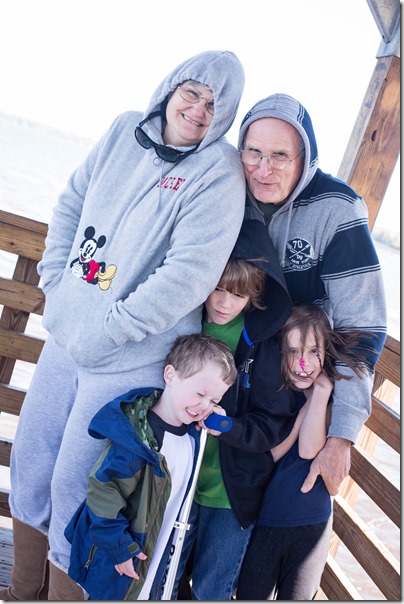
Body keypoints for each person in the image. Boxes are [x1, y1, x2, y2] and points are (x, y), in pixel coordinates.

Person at [2, 50, 246, 601]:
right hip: (68, 337)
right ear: (171, 88)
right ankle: (19, 592)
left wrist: (112, 327)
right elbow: (70, 204)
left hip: (131, 355)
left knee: (77, 486)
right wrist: (55, 282)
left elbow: (188, 274)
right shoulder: (122, 131)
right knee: (31, 464)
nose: (198, 109)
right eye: (192, 93)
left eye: (214, 105)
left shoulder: (219, 172)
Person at [237, 94, 387, 496]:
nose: (264, 169)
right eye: (254, 152)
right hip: (231, 382)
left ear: (304, 158)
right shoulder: (227, 191)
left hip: (301, 395)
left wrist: (342, 436)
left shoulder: (337, 209)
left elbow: (362, 324)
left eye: (280, 156)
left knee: (294, 506)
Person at [164, 219, 299, 601]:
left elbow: (273, 421)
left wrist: (229, 427)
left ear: (253, 297)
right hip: (177, 480)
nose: (224, 303)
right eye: (218, 289)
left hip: (230, 492)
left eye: (237, 295)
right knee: (164, 577)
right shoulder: (185, 323)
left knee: (212, 589)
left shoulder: (262, 344)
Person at [63, 333, 237, 601]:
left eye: (214, 401)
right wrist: (120, 548)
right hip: (124, 558)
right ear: (170, 375)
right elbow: (104, 492)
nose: (205, 405)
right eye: (200, 394)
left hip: (158, 563)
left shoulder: (192, 436)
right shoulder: (138, 440)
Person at [237, 304, 372, 600]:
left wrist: (320, 395)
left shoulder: (332, 397)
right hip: (268, 521)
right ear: (280, 353)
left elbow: (309, 450)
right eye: (294, 351)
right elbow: (271, 455)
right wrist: (302, 413)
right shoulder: (274, 394)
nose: (303, 363)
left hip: (311, 523)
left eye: (313, 352)